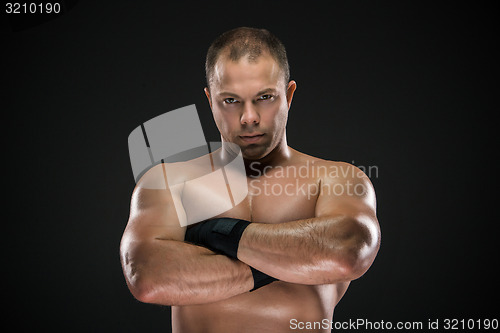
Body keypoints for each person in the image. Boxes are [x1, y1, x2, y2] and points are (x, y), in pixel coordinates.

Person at [120, 27, 381, 333]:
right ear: (210, 100)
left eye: (265, 97)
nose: (249, 117)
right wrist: (293, 261)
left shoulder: (337, 178)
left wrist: (216, 233)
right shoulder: (168, 182)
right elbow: (147, 277)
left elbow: (347, 253)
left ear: (289, 94)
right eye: (231, 100)